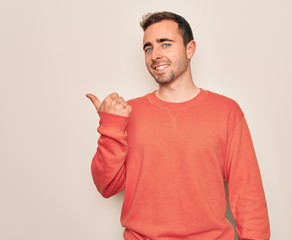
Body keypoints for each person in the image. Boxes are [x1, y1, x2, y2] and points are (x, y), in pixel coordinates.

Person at [86, 11, 270, 240]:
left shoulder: (226, 111)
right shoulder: (128, 112)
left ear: (190, 49)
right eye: (148, 48)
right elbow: (107, 187)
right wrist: (111, 126)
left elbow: (248, 194)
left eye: (165, 44)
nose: (155, 55)